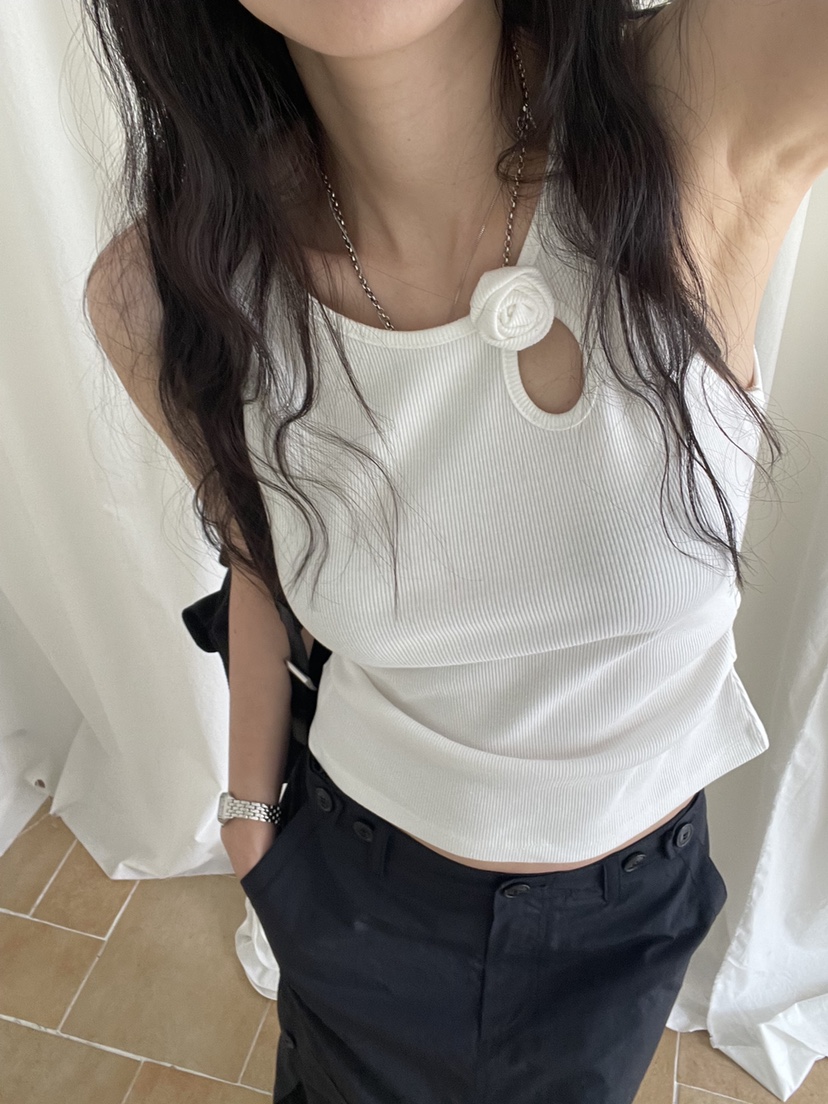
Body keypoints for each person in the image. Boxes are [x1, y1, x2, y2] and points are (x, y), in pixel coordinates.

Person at [81, 0, 827, 1100]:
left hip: (625, 921)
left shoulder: (696, 107)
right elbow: (256, 562)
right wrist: (248, 818)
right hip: (359, 889)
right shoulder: (169, 287)